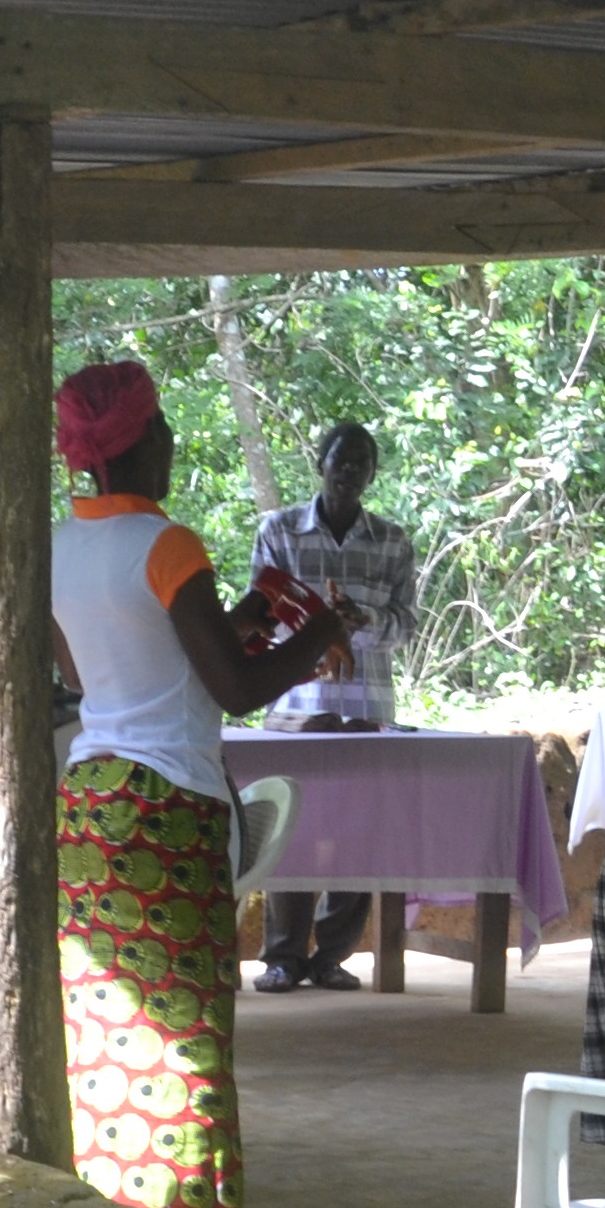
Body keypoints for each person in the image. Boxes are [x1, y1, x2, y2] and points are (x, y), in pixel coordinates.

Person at [48, 360, 355, 1208]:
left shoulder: (58, 546)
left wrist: (240, 623)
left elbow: (91, 673)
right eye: (164, 425)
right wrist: (321, 632)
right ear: (146, 439)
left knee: (112, 1025)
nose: (173, 440)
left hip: (90, 803)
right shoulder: (168, 543)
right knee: (184, 1028)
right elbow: (236, 689)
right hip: (168, 808)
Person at [251, 420, 423, 993]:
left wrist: (363, 620)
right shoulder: (279, 531)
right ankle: (282, 958)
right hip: (296, 706)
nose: (348, 471)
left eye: (360, 463)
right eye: (339, 460)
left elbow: (406, 626)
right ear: (319, 464)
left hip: (366, 707)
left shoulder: (393, 542)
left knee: (355, 830)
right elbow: (259, 615)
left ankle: (332, 957)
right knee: (289, 829)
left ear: (372, 474)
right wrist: (315, 625)